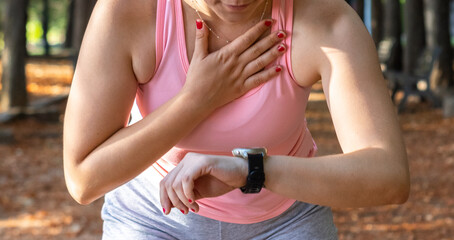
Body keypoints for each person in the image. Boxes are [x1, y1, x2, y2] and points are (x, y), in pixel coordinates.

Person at [63, 0, 410, 239]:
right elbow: (84, 178)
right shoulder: (129, 12)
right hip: (153, 219)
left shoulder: (323, 19)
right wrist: (196, 99)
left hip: (285, 221)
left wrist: (252, 170)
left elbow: (388, 174)